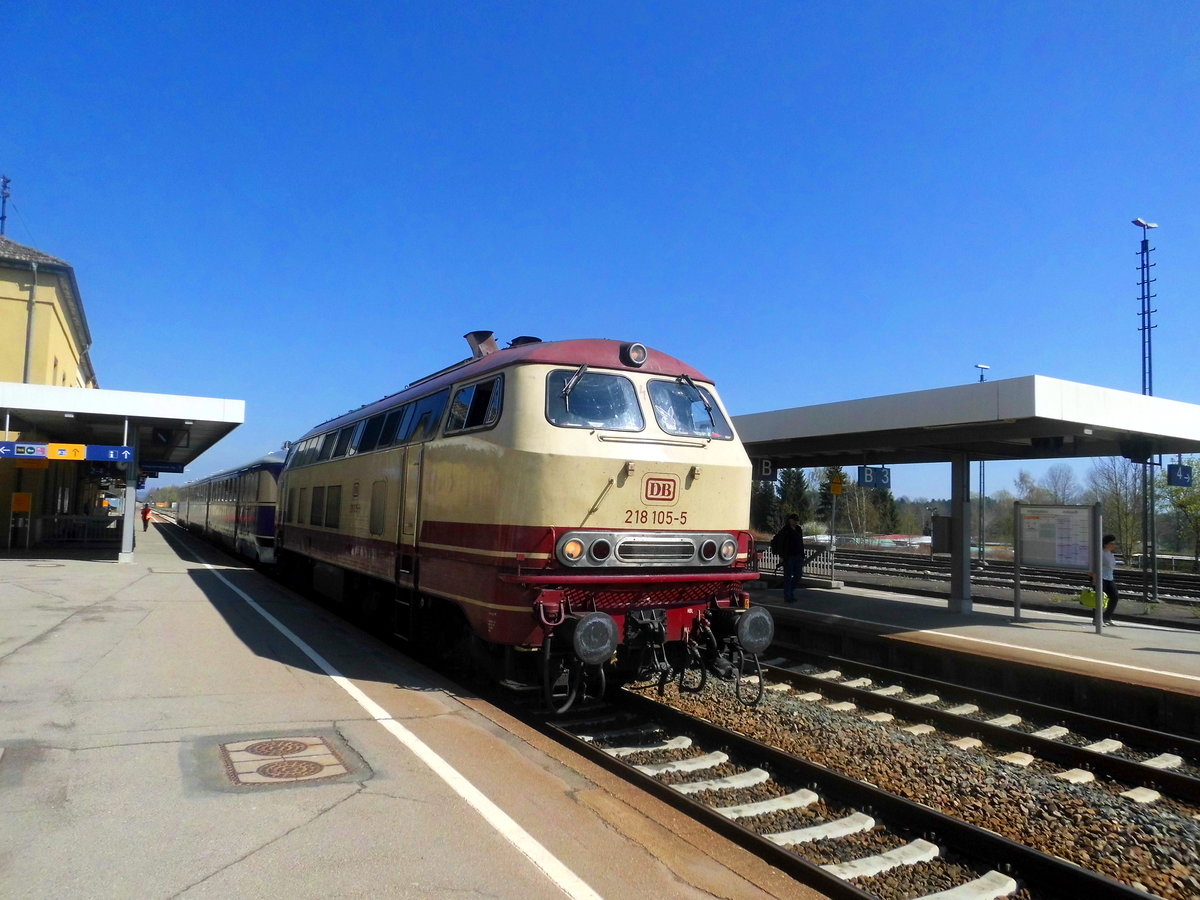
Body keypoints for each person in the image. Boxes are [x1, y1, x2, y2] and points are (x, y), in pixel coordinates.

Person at [771, 514, 805, 604]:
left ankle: (791, 592)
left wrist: (802, 555)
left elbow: (801, 543)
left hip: (798, 556)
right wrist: (781, 556)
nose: (796, 522)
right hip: (788, 556)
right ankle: (788, 596)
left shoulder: (798, 529)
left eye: (797, 520)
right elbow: (781, 544)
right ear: (790, 520)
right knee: (788, 577)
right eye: (794, 520)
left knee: (798, 575)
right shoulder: (785, 530)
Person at [1101, 534, 1120, 626]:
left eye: (1114, 543)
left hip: (1109, 578)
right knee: (1099, 599)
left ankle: (1107, 617)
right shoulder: (1101, 553)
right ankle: (1097, 619)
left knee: (1114, 597)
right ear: (1105, 544)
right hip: (1101, 578)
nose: (1114, 545)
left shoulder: (1110, 554)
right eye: (1111, 543)